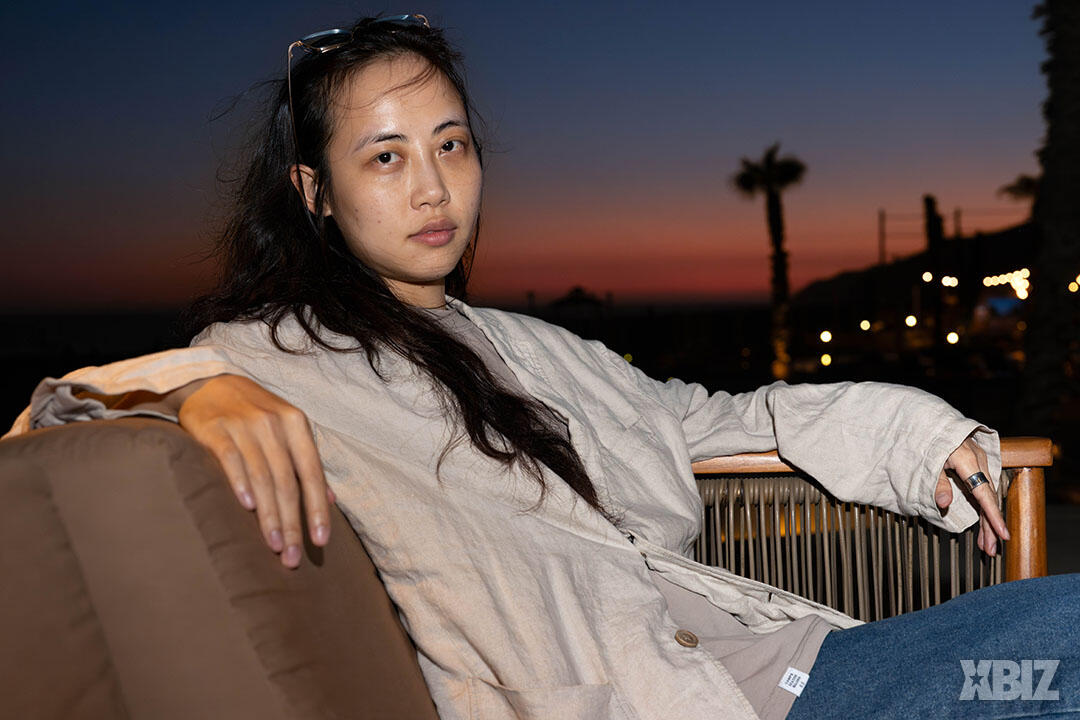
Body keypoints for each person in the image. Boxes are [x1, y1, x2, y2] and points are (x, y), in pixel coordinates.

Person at [5, 14, 1076, 720]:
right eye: (386, 156)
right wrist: (197, 388)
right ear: (313, 191)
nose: (433, 187)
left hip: (802, 665)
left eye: (451, 144)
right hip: (699, 701)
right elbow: (50, 421)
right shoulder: (278, 354)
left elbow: (715, 415)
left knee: (1057, 643)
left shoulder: (533, 346)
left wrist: (921, 438)